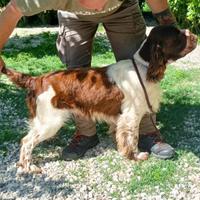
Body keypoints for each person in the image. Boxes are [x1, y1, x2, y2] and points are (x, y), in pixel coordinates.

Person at [0, 0, 176, 160]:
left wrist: (174, 34)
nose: (99, 8)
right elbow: (13, 9)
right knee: (73, 81)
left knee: (141, 71)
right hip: (73, 15)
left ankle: (147, 132)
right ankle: (85, 134)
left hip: (123, 9)